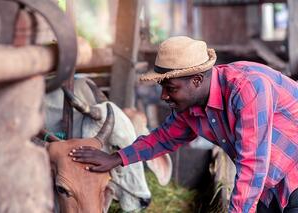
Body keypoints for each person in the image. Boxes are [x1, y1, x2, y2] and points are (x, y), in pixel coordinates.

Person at [68, 36, 298, 213]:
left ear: (197, 80)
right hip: (268, 187)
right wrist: (115, 159)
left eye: (171, 88)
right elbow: (163, 137)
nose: (164, 96)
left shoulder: (248, 88)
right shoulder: (192, 106)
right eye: (162, 88)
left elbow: (253, 162)